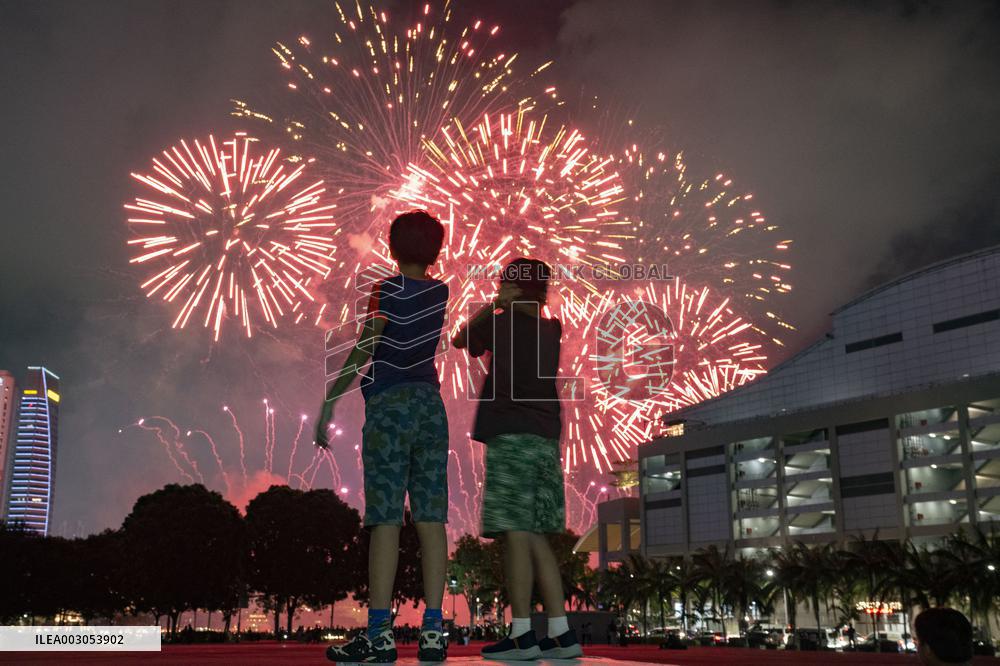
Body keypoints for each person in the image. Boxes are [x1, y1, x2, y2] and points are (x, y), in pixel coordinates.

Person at [317, 210, 450, 664]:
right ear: (435, 252)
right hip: (431, 408)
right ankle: (434, 632)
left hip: (390, 406)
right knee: (432, 518)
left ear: (392, 249)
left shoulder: (385, 290)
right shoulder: (441, 291)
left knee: (386, 520)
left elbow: (367, 344)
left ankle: (379, 635)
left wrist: (331, 399)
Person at [453, 258, 582, 661]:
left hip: (511, 433)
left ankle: (522, 633)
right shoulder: (552, 328)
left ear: (510, 288)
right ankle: (561, 633)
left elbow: (460, 340)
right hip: (546, 435)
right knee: (537, 532)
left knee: (515, 531)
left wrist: (494, 303)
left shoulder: (499, 321)